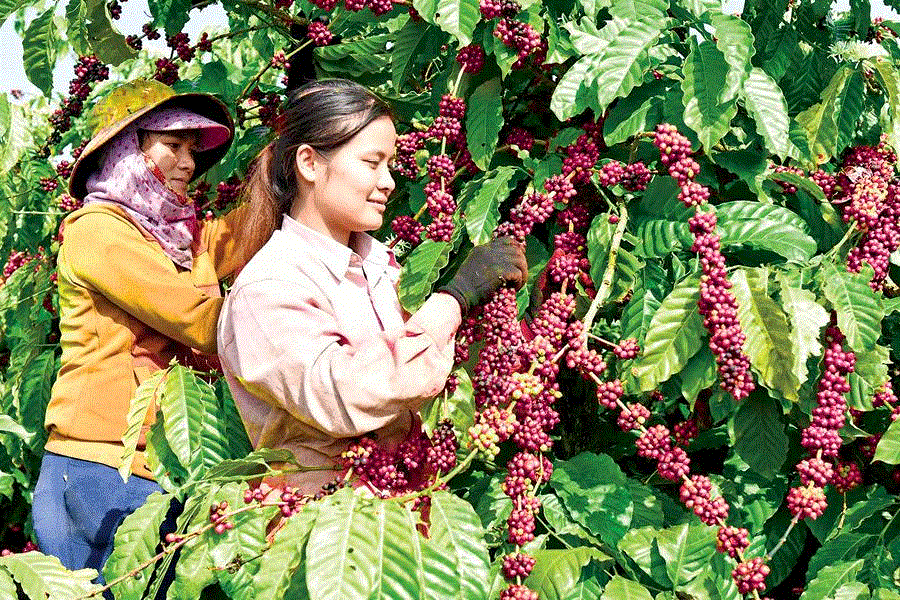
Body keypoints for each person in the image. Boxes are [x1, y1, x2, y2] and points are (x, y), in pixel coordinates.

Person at [216, 78, 528, 495]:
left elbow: (432, 371)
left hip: (404, 518)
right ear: (309, 163)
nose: (389, 182)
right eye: (371, 162)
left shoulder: (382, 270)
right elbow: (342, 393)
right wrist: (455, 298)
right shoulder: (269, 287)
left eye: (390, 165)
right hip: (326, 530)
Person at [32, 79, 246, 581]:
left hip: (150, 465)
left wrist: (301, 178)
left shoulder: (171, 237)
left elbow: (238, 236)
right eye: (172, 146)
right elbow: (196, 318)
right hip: (100, 466)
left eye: (193, 151)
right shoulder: (97, 231)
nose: (189, 165)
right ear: (125, 151)